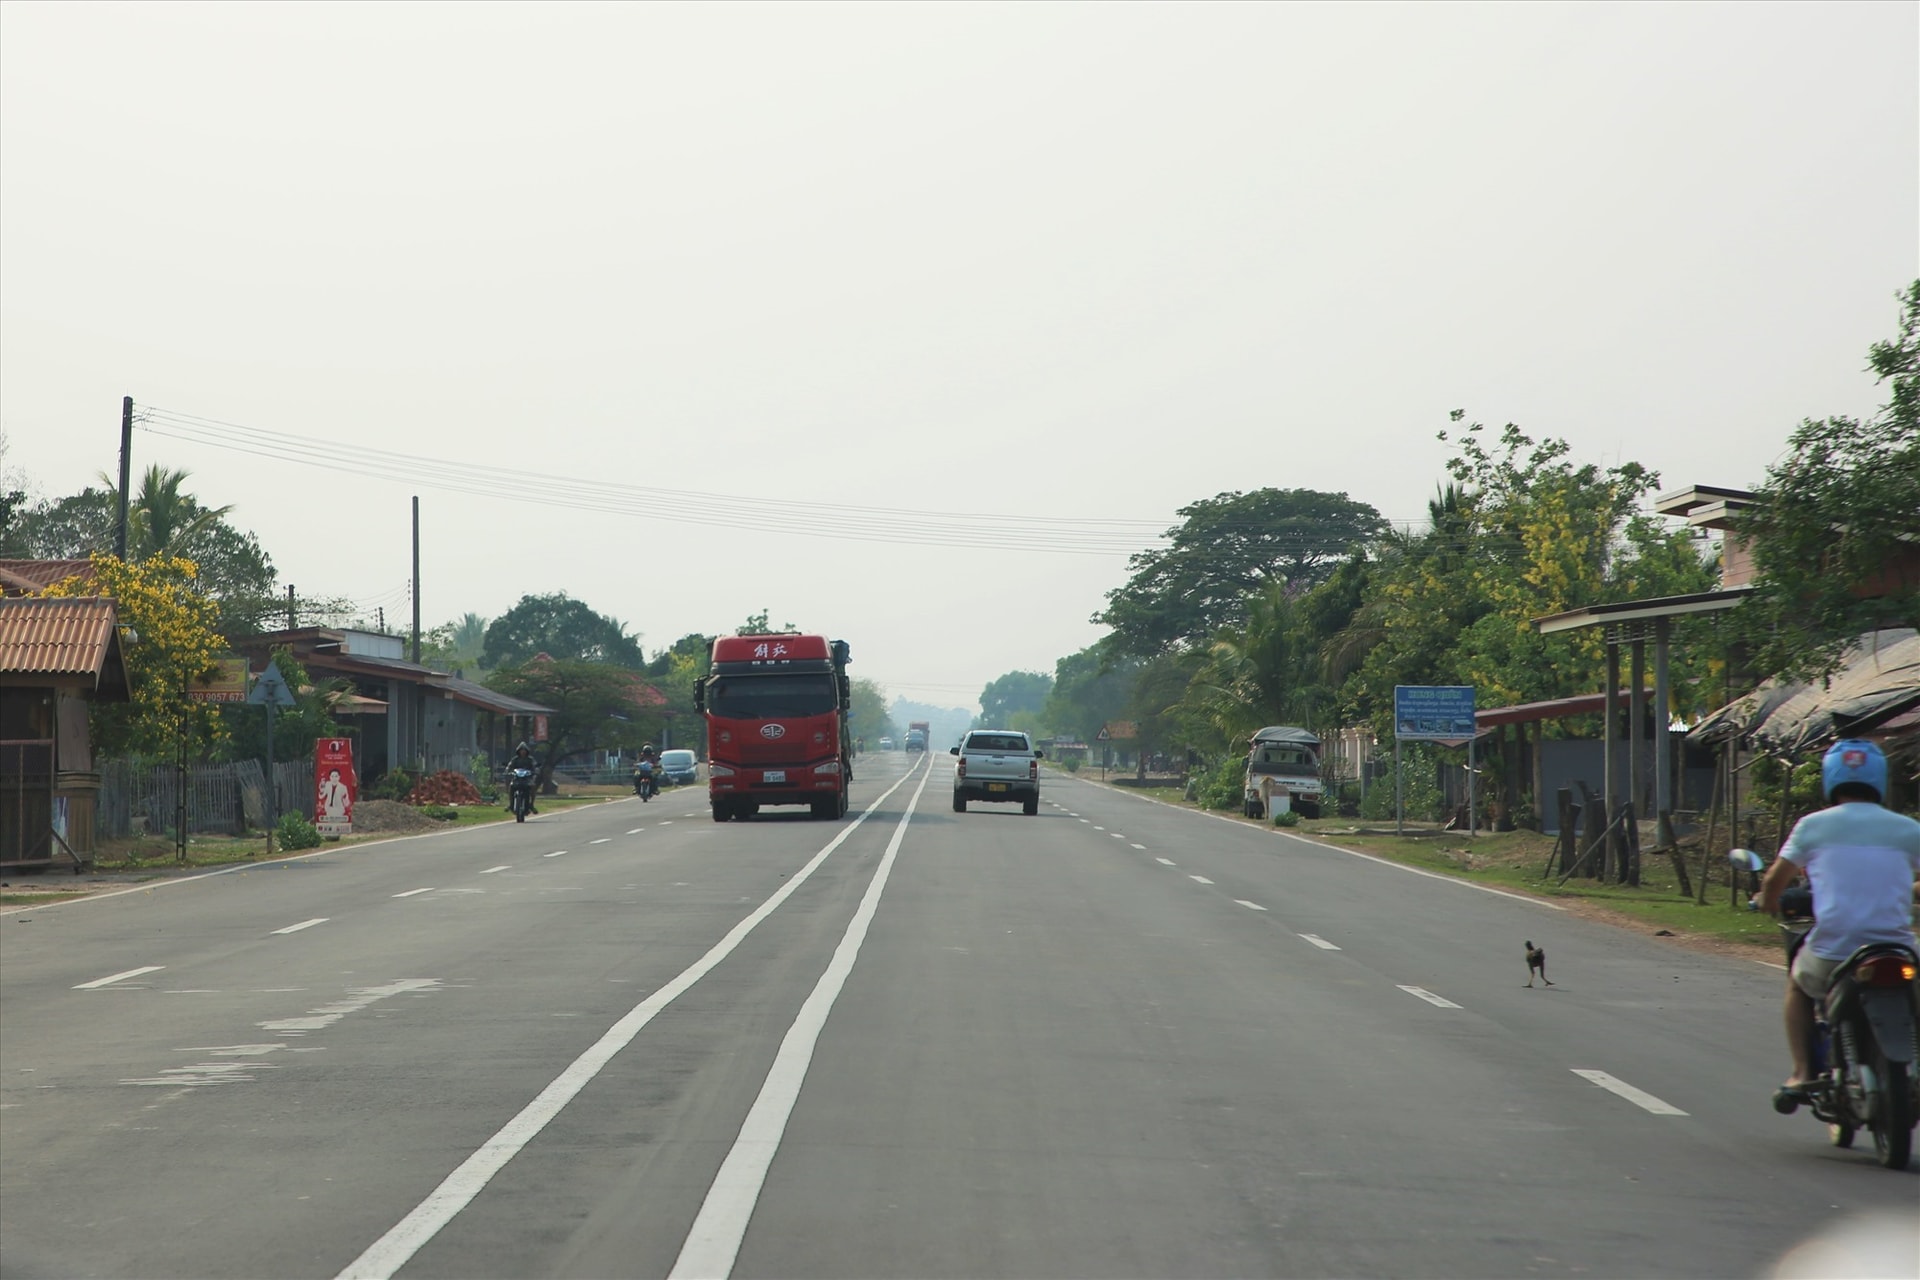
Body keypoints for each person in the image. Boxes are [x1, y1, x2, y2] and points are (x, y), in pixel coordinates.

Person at [1753, 739, 1920, 1094]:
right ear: (1880, 779)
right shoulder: (1907, 829)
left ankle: (1801, 1072)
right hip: (1898, 948)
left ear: (1831, 778)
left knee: (1798, 985)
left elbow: (1774, 880)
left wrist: (1766, 902)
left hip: (1834, 948)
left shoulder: (1812, 825)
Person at [507, 741, 539, 815]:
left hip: (527, 779)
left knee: (533, 786)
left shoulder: (530, 759)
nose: (523, 752)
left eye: (524, 750)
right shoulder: (515, 759)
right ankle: (511, 804)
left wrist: (535, 771)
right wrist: (508, 771)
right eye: (521, 750)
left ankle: (531, 804)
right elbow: (509, 766)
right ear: (518, 751)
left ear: (527, 751)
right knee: (511, 786)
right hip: (517, 779)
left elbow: (535, 766)